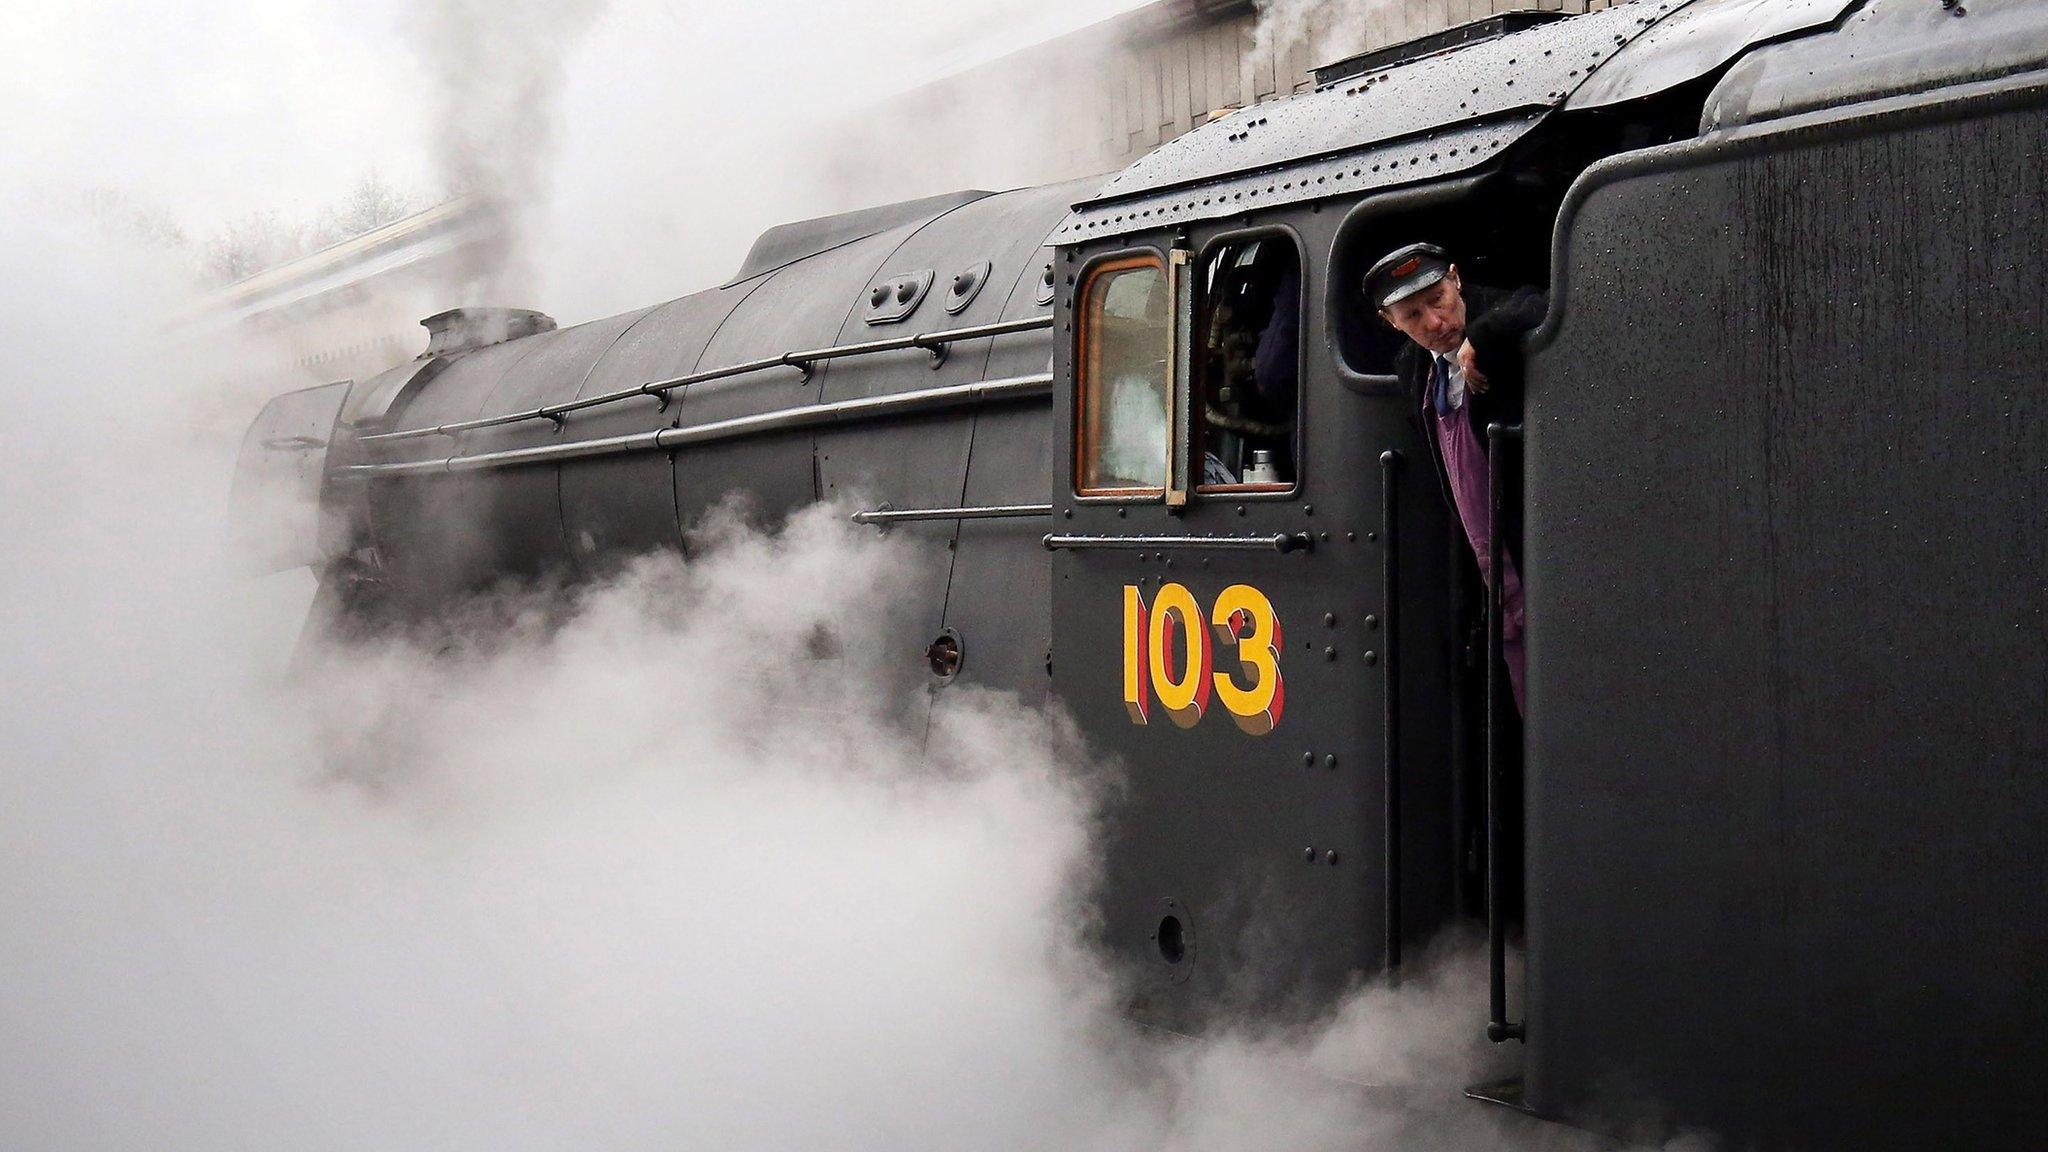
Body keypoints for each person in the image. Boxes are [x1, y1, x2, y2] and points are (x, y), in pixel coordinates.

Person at [1363, 243, 1545, 714]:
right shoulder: (1413, 368)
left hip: (1544, 561)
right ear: (1391, 322)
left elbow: (1541, 303)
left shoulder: (1498, 316)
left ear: (1456, 279)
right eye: (1413, 315)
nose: (1435, 323)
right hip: (1492, 574)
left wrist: (1483, 336)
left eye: (1438, 299)